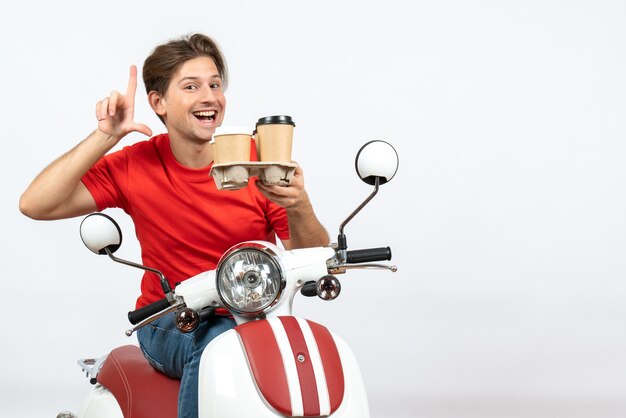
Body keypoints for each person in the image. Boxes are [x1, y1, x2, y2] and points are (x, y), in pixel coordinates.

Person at [19, 33, 329, 418]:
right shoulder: (136, 164)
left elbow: (313, 257)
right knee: (221, 345)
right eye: (191, 86)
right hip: (168, 318)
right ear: (158, 102)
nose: (210, 97)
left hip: (256, 316)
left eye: (215, 84)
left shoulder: (256, 163)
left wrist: (299, 204)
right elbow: (35, 203)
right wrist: (104, 136)